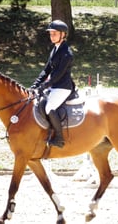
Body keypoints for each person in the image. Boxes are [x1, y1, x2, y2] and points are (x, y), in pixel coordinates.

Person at [30, 20, 74, 148]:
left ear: (63, 35)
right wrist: (35, 84)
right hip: (54, 85)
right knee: (38, 103)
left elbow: (58, 74)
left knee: (49, 108)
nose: (52, 36)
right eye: (50, 34)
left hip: (63, 87)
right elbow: (46, 70)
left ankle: (59, 139)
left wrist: (45, 86)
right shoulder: (55, 49)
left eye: (54, 33)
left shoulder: (67, 53)